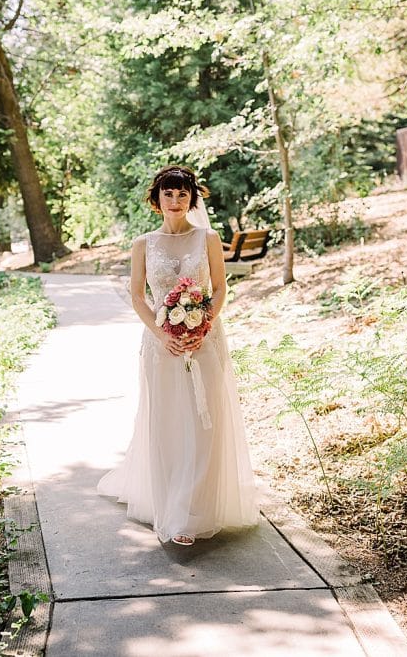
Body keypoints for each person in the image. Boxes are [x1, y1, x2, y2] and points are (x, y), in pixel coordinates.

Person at [97, 165, 259, 546]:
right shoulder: (142, 244)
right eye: (168, 194)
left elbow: (219, 289)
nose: (175, 200)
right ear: (157, 200)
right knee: (168, 423)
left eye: (182, 194)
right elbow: (138, 297)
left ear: (192, 199)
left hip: (206, 340)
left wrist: (202, 326)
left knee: (205, 423)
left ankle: (191, 514)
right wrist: (163, 334)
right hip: (161, 344)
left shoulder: (208, 238)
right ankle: (170, 505)